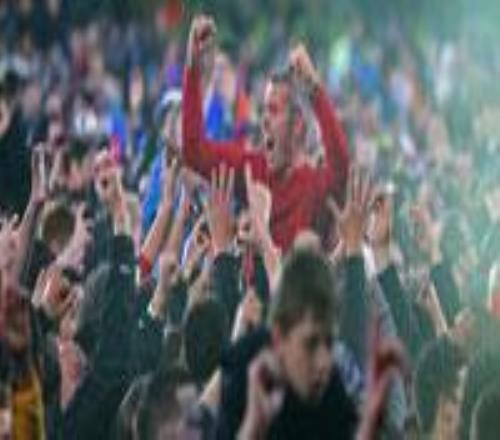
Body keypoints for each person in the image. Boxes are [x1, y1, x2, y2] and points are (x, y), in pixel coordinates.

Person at [182, 15, 349, 252]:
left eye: (273, 110)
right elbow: (194, 151)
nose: (263, 120)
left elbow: (341, 166)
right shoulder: (252, 171)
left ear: (297, 124)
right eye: (262, 110)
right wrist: (193, 68)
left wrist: (314, 88)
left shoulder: (316, 184)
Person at [217, 248, 358, 439]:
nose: (324, 362)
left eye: (329, 343)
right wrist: (253, 426)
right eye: (310, 344)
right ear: (279, 338)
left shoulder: (332, 391)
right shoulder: (241, 374)